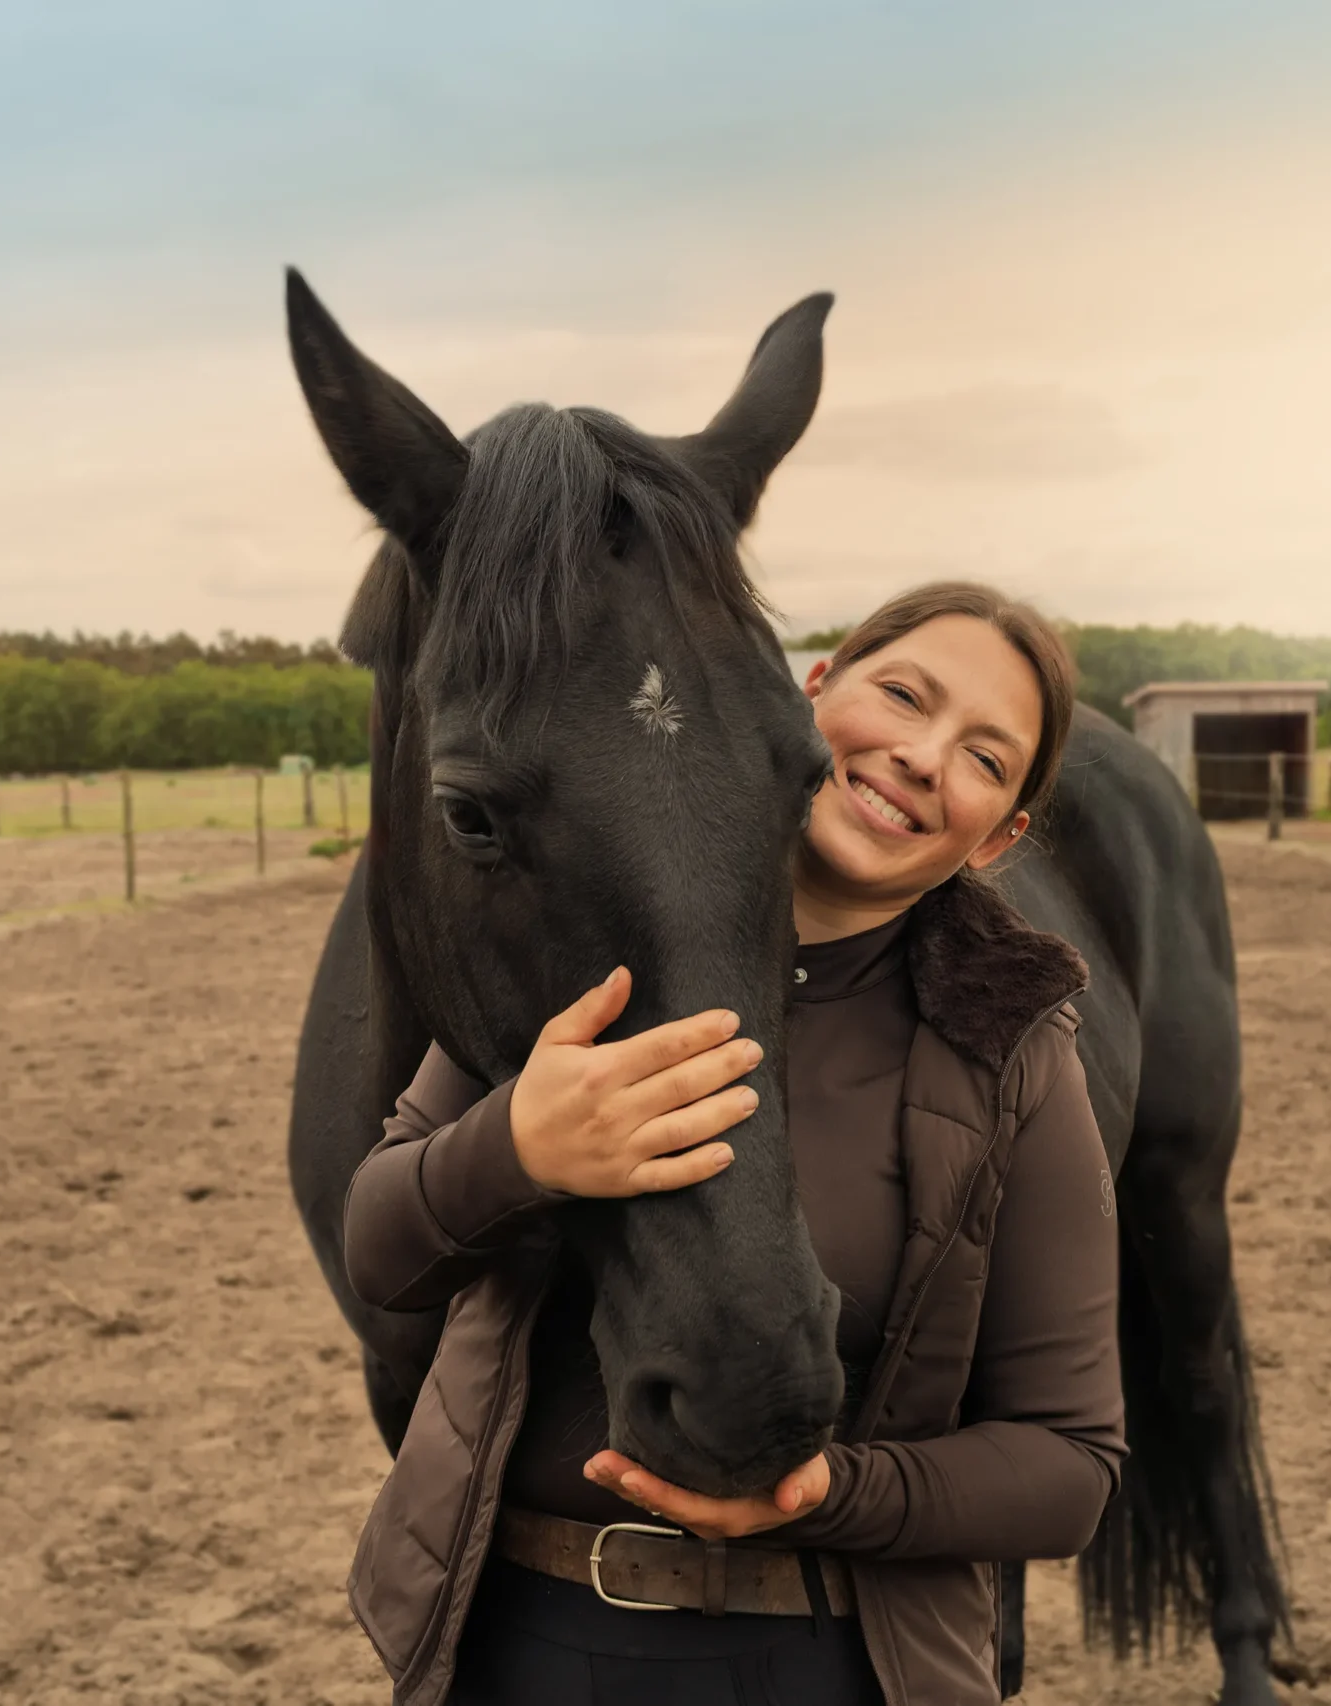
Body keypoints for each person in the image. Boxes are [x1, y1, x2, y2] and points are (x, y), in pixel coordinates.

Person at [342, 582, 1131, 1706]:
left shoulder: (1012, 1051)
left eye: (982, 757)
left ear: (995, 835)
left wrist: (825, 1491)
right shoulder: (573, 932)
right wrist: (514, 1146)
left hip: (824, 1662)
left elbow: (1069, 1463)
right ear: (808, 694)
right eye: (902, 694)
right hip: (513, 1640)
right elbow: (381, 1251)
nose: (918, 755)